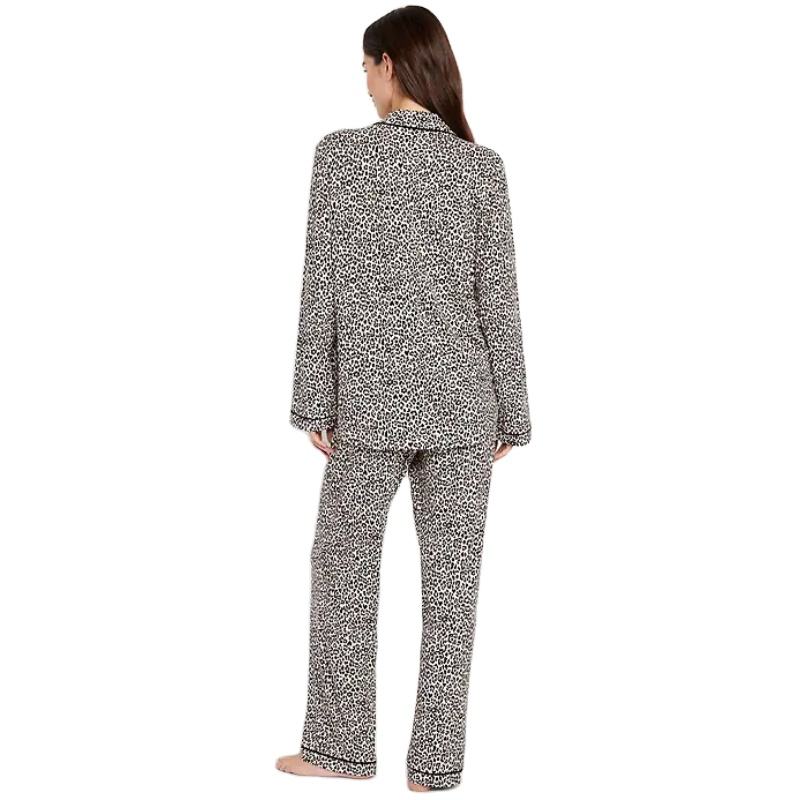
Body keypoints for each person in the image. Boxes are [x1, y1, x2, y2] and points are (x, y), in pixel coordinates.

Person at [275, 5, 532, 792]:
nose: (363, 81)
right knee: (453, 592)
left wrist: (312, 398)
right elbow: (499, 301)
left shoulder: (340, 157)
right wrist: (514, 413)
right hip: (465, 404)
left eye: (365, 66)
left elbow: (320, 285)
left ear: (389, 63)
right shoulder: (480, 167)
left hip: (370, 404)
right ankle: (435, 767)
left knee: (342, 567)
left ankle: (340, 749)